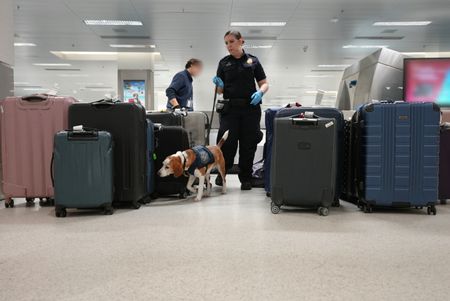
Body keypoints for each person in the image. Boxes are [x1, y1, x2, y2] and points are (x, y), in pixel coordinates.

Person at [213, 30, 269, 190]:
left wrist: (260, 92)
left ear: (241, 41)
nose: (228, 45)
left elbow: (264, 83)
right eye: (226, 43)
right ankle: (222, 173)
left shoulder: (253, 61)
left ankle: (246, 178)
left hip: (250, 109)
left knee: (248, 144)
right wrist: (220, 85)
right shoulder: (223, 63)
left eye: (231, 41)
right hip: (230, 110)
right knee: (226, 142)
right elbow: (219, 91)